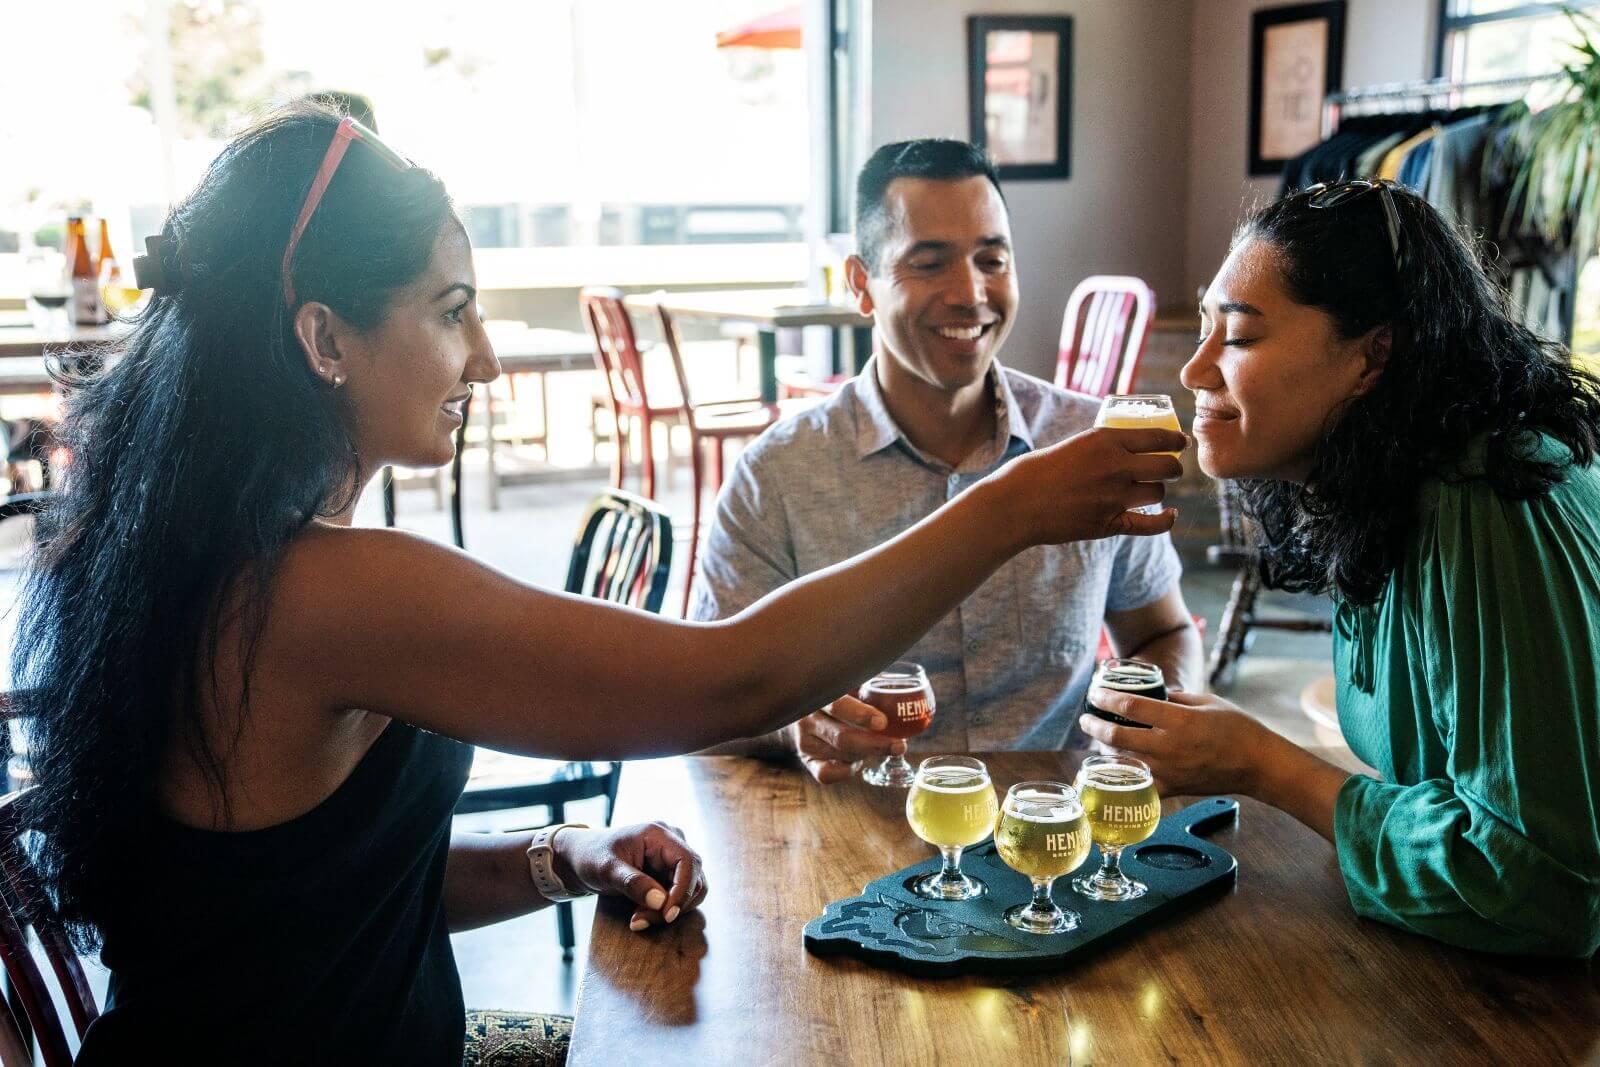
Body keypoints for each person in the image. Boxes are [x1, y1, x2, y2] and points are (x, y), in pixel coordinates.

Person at [13, 104, 1186, 1064]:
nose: (484, 357)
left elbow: (310, 901)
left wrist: (558, 857)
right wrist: (1008, 507)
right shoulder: (325, 593)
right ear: (324, 339)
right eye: (452, 311)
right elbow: (737, 676)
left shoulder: (208, 553)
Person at [1081, 179, 1600, 957]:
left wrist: (1263, 763)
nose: (1194, 371)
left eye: (1240, 337)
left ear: (1372, 355)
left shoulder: (1489, 500)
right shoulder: (1383, 493)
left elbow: (1541, 882)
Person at [690, 139, 1202, 782]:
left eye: (993, 259)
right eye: (929, 264)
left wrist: (1142, 727)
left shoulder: (1085, 444)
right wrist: (797, 724)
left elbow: (1163, 632)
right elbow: (713, 710)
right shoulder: (778, 478)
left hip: (1049, 826)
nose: (971, 293)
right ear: (861, 284)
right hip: (852, 827)